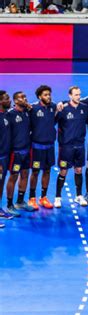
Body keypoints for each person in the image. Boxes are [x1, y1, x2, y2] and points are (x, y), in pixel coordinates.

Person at [55, 86, 88, 208]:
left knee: (79, 170)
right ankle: (58, 197)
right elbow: (53, 121)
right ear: (70, 95)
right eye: (75, 95)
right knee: (63, 171)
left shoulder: (84, 108)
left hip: (80, 145)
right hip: (66, 146)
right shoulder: (62, 108)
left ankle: (79, 196)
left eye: (79, 94)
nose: (78, 97)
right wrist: (59, 107)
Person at [5, 92, 34, 216]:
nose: (25, 99)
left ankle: (20, 201)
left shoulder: (28, 112)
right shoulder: (10, 115)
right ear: (15, 101)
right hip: (15, 153)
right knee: (13, 176)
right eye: (22, 97)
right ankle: (9, 205)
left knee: (25, 174)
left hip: (26, 151)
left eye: (25, 97)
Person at [28, 85, 57, 210]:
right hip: (36, 147)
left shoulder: (54, 107)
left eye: (49, 94)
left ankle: (43, 197)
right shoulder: (33, 109)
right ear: (40, 97)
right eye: (45, 95)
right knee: (35, 172)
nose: (48, 97)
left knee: (47, 171)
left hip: (49, 146)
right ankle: (32, 198)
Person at [0, 91, 14, 221]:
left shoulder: (5, 115)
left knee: (1, 183)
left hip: (5, 156)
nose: (10, 100)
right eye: (7, 98)